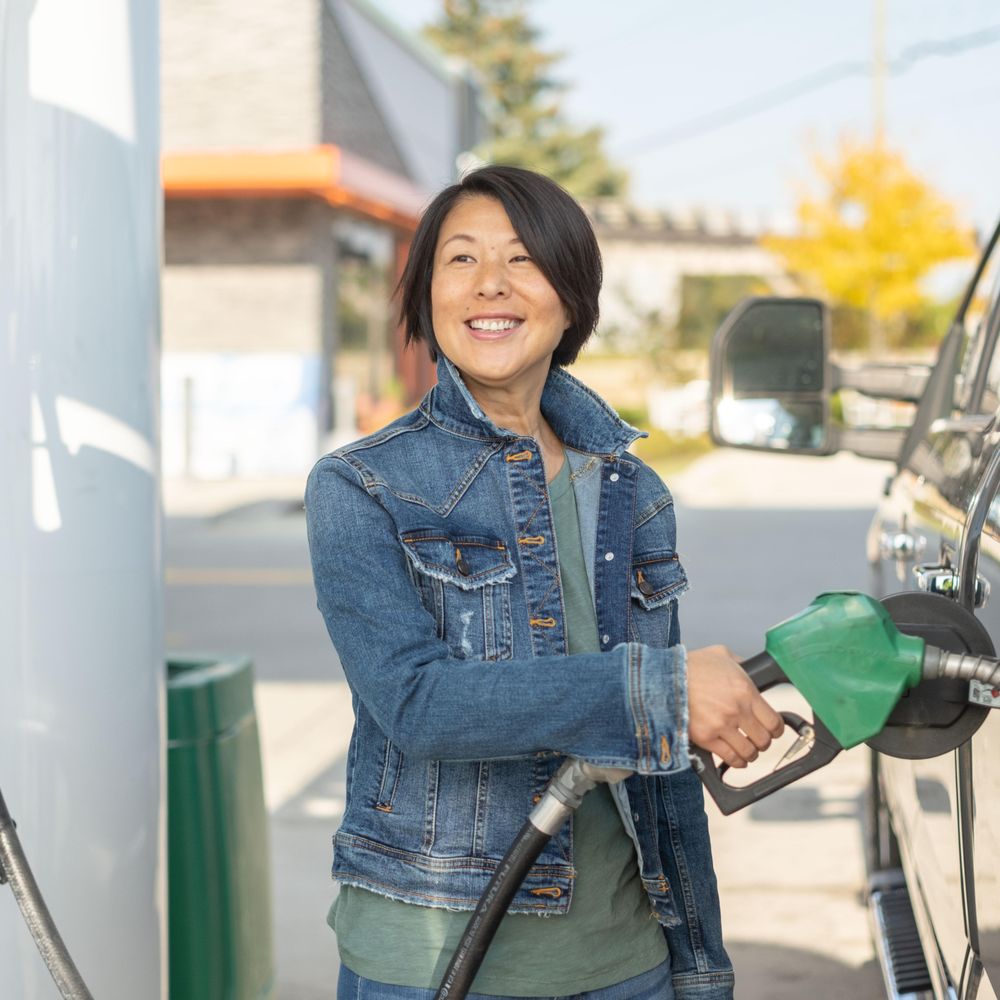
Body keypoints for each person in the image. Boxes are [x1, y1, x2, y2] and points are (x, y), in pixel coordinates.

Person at [305, 165, 784, 1000]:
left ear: (571, 293)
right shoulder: (361, 486)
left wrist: (697, 963)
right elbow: (417, 705)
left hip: (626, 956)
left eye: (522, 259)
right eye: (460, 260)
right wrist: (658, 689)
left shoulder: (632, 489)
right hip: (435, 959)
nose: (490, 283)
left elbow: (658, 765)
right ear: (425, 296)